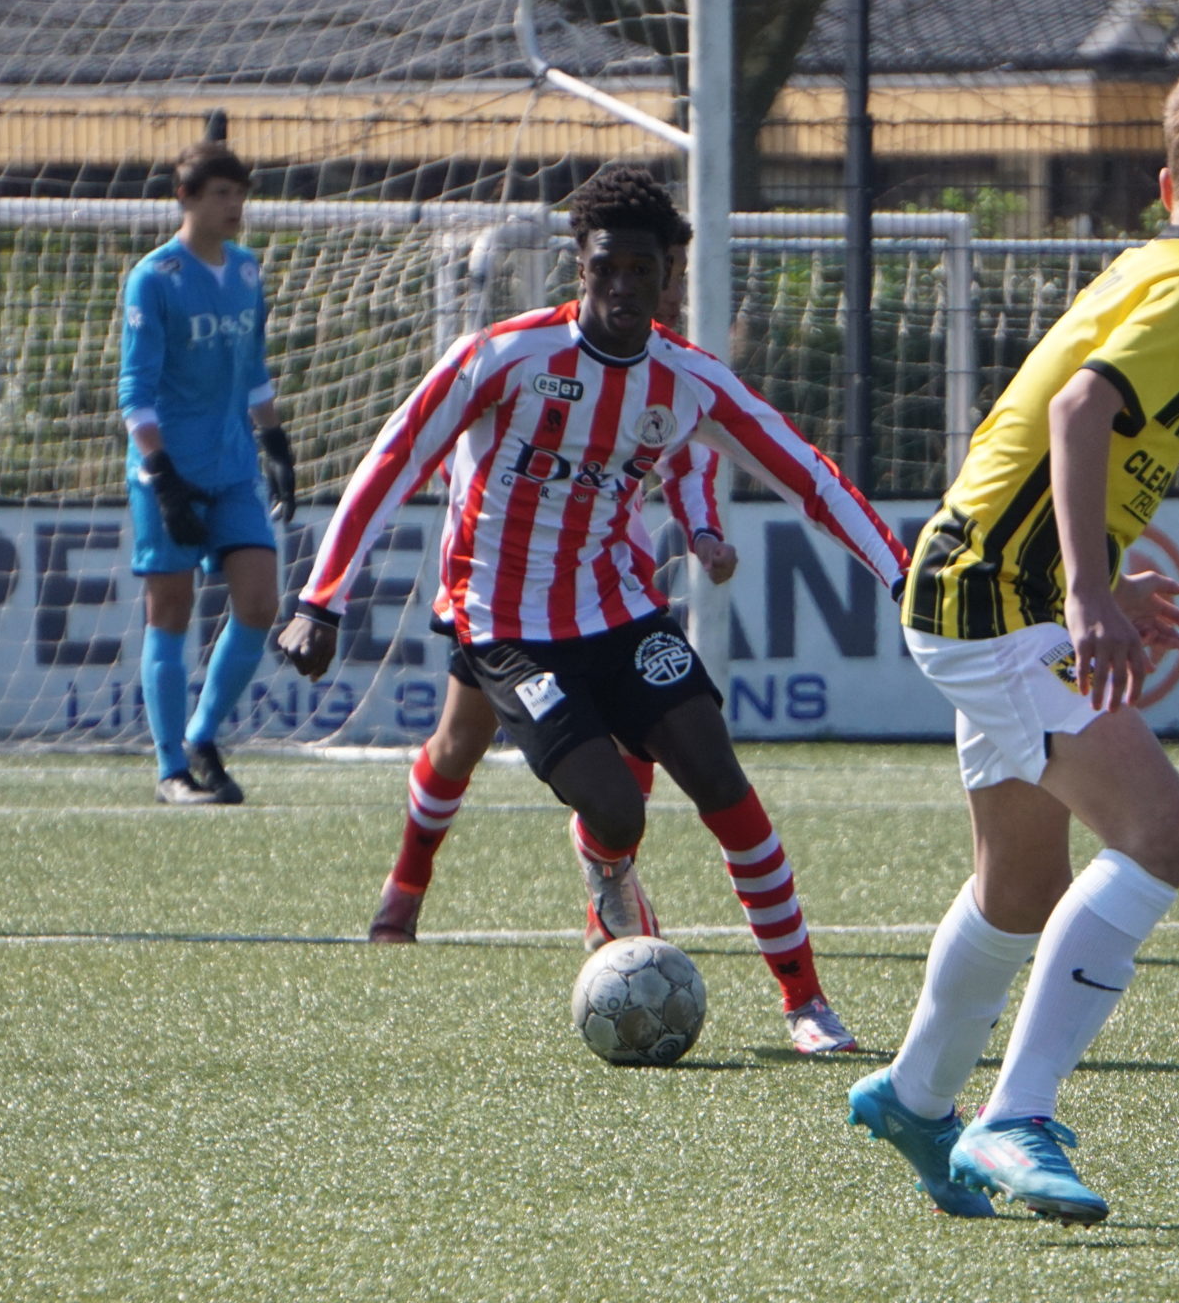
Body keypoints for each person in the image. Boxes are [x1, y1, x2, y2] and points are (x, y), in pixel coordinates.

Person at [281, 166, 908, 1054]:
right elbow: (396, 457)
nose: (621, 288)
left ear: (667, 279)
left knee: (721, 779)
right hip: (506, 626)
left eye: (641, 272)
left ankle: (805, 1002)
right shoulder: (503, 357)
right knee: (610, 809)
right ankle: (539, 875)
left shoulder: (689, 381)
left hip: (621, 612)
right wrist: (320, 597)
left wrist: (900, 572)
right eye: (605, 267)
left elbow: (807, 475)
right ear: (581, 264)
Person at [846, 64, 1179, 1222]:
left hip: (986, 582)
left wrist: (1084, 573)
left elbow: (1060, 417)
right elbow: (1076, 410)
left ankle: (913, 1095)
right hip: (997, 595)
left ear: (1166, 180)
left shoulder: (1151, 260)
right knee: (1162, 834)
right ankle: (1014, 1119)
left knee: (1022, 881)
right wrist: (1088, 593)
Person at [366, 239, 739, 952]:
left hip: (608, 585)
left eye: (660, 277)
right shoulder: (542, 355)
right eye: (630, 274)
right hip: (507, 590)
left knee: (642, 737)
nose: (658, 297)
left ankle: (609, 886)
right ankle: (405, 889)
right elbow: (465, 439)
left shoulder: (676, 374)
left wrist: (703, 533)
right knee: (458, 743)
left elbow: (692, 462)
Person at [120, 137, 297, 805]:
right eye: (221, 194)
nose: (235, 206)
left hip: (231, 465)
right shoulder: (154, 277)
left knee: (259, 600)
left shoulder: (247, 270)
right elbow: (134, 389)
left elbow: (253, 368)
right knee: (169, 610)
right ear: (185, 199)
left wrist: (274, 443)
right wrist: (160, 473)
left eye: (240, 195)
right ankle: (170, 770)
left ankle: (202, 735)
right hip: (170, 468)